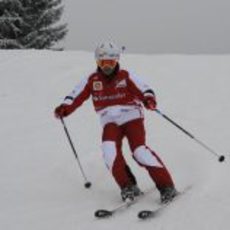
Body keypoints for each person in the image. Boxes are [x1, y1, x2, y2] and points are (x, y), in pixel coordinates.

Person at [54, 41, 177, 203]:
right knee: (109, 152)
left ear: (116, 61)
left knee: (139, 151)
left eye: (110, 62)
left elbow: (145, 89)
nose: (107, 67)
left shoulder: (126, 76)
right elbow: (75, 95)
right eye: (102, 62)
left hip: (131, 117)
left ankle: (167, 187)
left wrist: (148, 100)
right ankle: (128, 187)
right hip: (109, 121)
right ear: (97, 62)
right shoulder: (92, 80)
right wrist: (65, 108)